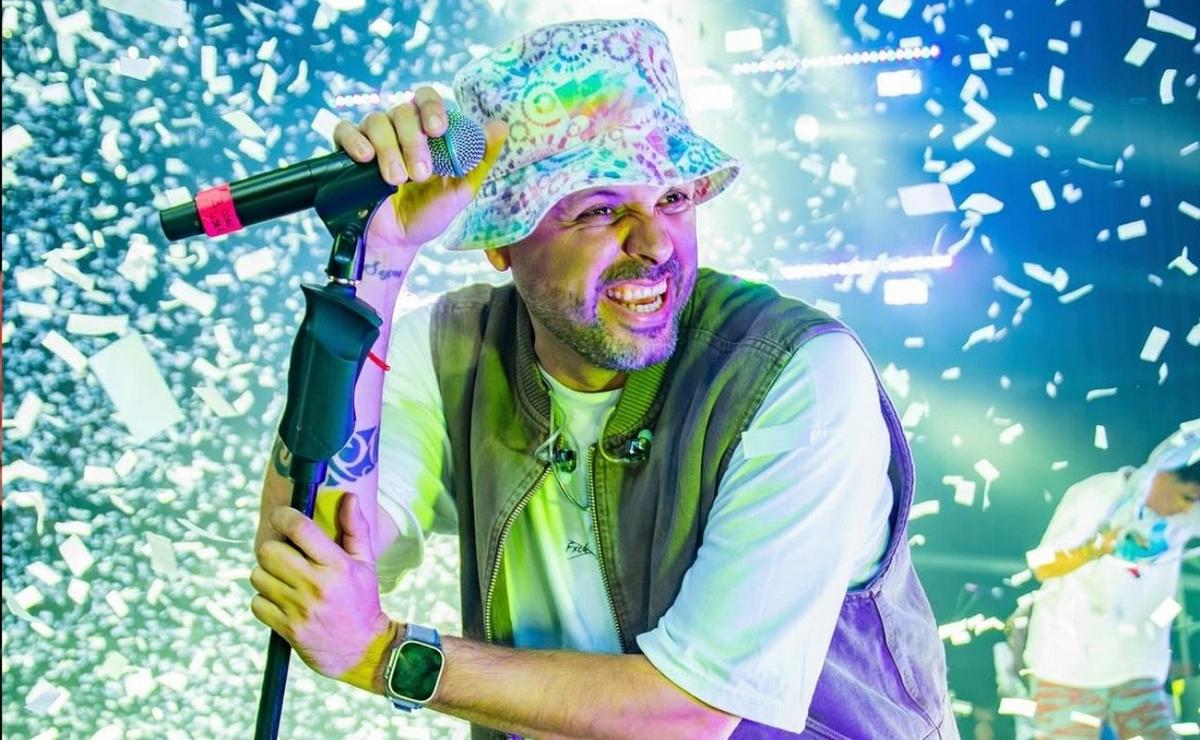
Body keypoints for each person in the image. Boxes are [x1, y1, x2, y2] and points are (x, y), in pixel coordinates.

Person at [249, 17, 954, 738]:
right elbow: (313, 563)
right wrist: (380, 259)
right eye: (601, 209)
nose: (654, 244)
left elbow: (689, 713)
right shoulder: (447, 353)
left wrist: (385, 656)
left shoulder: (795, 374)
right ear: (501, 242)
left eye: (673, 199)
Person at [1023, 427, 1200, 739]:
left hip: (1138, 669)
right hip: (1068, 667)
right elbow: (1042, 566)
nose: (1186, 509)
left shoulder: (1186, 513)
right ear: (1161, 475)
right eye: (1185, 497)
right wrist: (1093, 549)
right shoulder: (1096, 495)